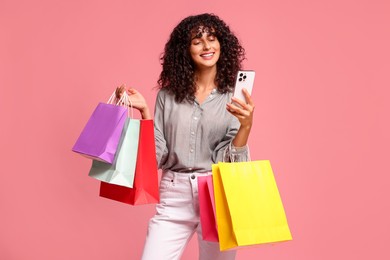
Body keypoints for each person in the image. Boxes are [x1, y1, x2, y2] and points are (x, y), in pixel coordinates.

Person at [117, 13, 255, 260]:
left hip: (217, 193)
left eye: (212, 39)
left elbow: (231, 162)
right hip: (174, 193)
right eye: (197, 41)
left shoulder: (233, 97)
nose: (207, 46)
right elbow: (156, 156)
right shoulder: (167, 96)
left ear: (222, 44)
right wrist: (145, 113)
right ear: (185, 49)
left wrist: (245, 126)